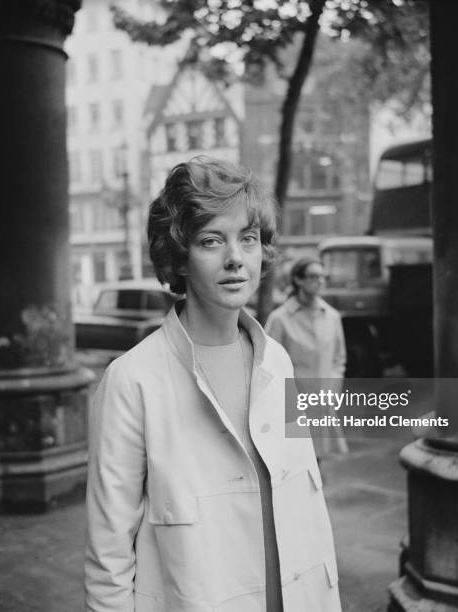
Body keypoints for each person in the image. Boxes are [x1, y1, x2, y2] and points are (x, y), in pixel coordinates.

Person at [84, 157, 341, 612]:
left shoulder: (277, 361)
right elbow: (109, 558)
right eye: (210, 240)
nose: (235, 259)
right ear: (179, 257)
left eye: (248, 238)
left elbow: (304, 507)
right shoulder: (131, 381)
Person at [265, 257, 348, 455]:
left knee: (317, 458)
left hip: (322, 399)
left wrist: (332, 388)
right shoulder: (280, 318)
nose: (319, 281)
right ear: (298, 280)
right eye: (313, 276)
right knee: (293, 459)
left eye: (322, 277)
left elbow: (339, 358)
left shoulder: (332, 316)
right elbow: (267, 362)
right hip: (291, 402)